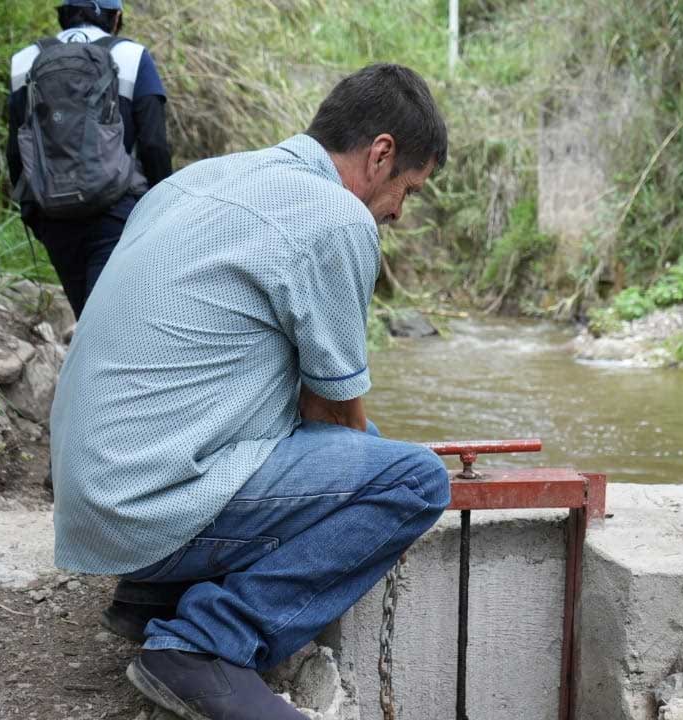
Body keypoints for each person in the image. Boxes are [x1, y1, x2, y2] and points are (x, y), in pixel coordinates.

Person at [50, 64, 450, 719]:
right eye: (408, 188)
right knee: (408, 478)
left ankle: (150, 595)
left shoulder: (195, 180)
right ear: (380, 154)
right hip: (148, 506)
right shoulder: (337, 217)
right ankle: (202, 645)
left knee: (343, 448)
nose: (399, 212)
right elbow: (334, 415)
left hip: (93, 500)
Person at [5, 0, 172, 319]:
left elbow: (16, 151)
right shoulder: (134, 57)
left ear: (64, 12)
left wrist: (33, 213)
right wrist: (161, 212)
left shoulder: (25, 61)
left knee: (89, 321)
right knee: (111, 326)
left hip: (54, 216)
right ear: (116, 17)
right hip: (117, 213)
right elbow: (154, 145)